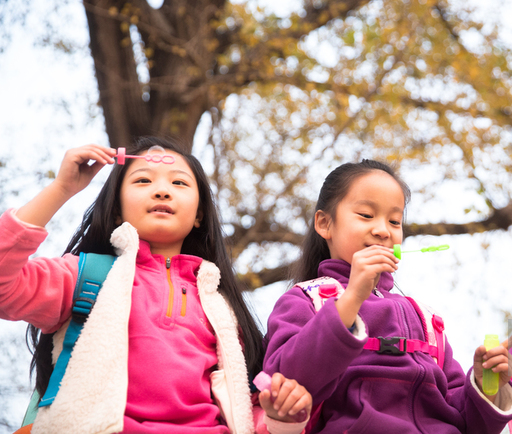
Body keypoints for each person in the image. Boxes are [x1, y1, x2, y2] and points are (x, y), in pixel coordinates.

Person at [0, 138, 311, 434]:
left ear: (200, 214)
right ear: (117, 207)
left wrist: (282, 418)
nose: (162, 191)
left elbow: (246, 412)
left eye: (178, 183)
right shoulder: (85, 276)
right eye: (143, 181)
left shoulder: (225, 313)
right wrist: (61, 189)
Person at [263, 160, 512, 433]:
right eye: (365, 215)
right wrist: (351, 300)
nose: (383, 230)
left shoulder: (426, 320)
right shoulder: (305, 301)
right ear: (325, 224)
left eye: (394, 221)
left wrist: (484, 386)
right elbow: (283, 381)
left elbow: (466, 421)